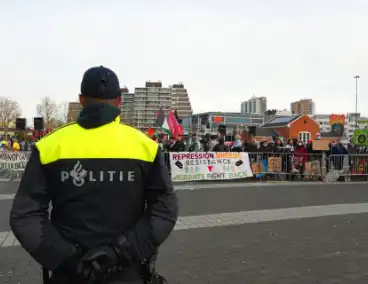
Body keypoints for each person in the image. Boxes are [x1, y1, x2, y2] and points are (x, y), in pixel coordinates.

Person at [9, 66, 178, 284]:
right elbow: (165, 209)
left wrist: (67, 258)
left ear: (81, 100)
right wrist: (120, 252)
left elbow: (24, 215)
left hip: (70, 274)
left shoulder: (49, 146)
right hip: (126, 271)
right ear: (119, 101)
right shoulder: (146, 147)